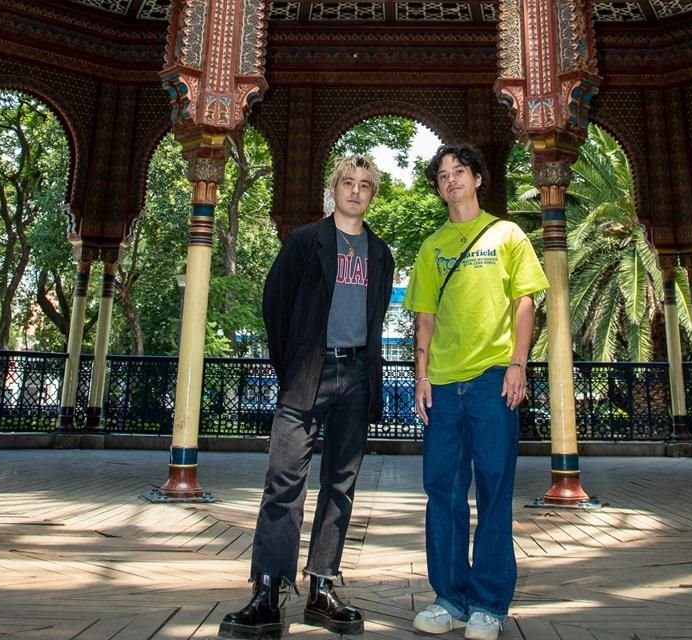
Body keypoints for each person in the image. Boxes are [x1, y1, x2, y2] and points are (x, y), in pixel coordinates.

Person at [219, 156, 395, 639]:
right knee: (283, 481)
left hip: (357, 375)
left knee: (341, 485)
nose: (355, 191)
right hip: (307, 374)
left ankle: (322, 588)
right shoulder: (304, 241)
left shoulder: (380, 254)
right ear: (333, 188)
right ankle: (267, 592)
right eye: (347, 183)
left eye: (365, 185)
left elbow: (377, 316)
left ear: (372, 195)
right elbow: (275, 304)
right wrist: (293, 365)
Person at [402, 143, 548, 640]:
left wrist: (517, 364)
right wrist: (421, 376)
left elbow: (524, 303)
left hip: (491, 379)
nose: (450, 181)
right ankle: (449, 597)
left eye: (459, 171)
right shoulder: (431, 246)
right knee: (441, 492)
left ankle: (489, 602)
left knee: (493, 489)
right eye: (442, 175)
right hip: (442, 385)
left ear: (478, 178)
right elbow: (424, 317)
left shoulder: (508, 235)